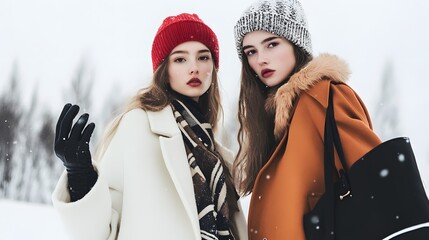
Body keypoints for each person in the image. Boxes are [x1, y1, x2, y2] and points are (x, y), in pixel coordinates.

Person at [52, 13, 247, 240]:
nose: (194, 67)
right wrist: (80, 176)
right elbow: (100, 232)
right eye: (180, 59)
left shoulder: (218, 155)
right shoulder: (137, 126)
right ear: (164, 70)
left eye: (203, 57)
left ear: (213, 67)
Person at [232, 0, 382, 239]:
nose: (260, 59)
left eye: (271, 44)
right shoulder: (275, 120)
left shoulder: (325, 97)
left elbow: (377, 184)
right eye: (251, 51)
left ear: (296, 44)